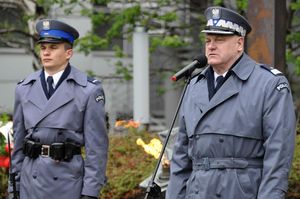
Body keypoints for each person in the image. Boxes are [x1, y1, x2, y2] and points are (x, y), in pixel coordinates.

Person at [166, 6, 296, 199]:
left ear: (239, 44)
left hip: (241, 191)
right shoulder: (194, 85)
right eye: (208, 40)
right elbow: (181, 157)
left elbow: (278, 157)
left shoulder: (268, 84)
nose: (211, 46)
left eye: (220, 40)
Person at [8, 19, 108, 199]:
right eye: (43, 47)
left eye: (53, 48)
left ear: (68, 52)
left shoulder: (88, 90)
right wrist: (13, 186)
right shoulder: (24, 88)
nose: (46, 52)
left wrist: (90, 192)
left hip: (67, 182)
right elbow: (18, 143)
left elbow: (97, 149)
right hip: (30, 181)